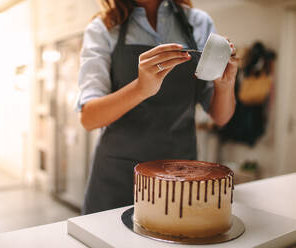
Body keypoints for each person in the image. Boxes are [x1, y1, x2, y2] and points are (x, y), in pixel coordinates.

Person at [76, 0, 239, 215]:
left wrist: (225, 85)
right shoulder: (104, 27)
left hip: (180, 174)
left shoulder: (198, 22)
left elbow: (221, 116)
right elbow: (89, 118)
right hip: (119, 177)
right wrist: (141, 88)